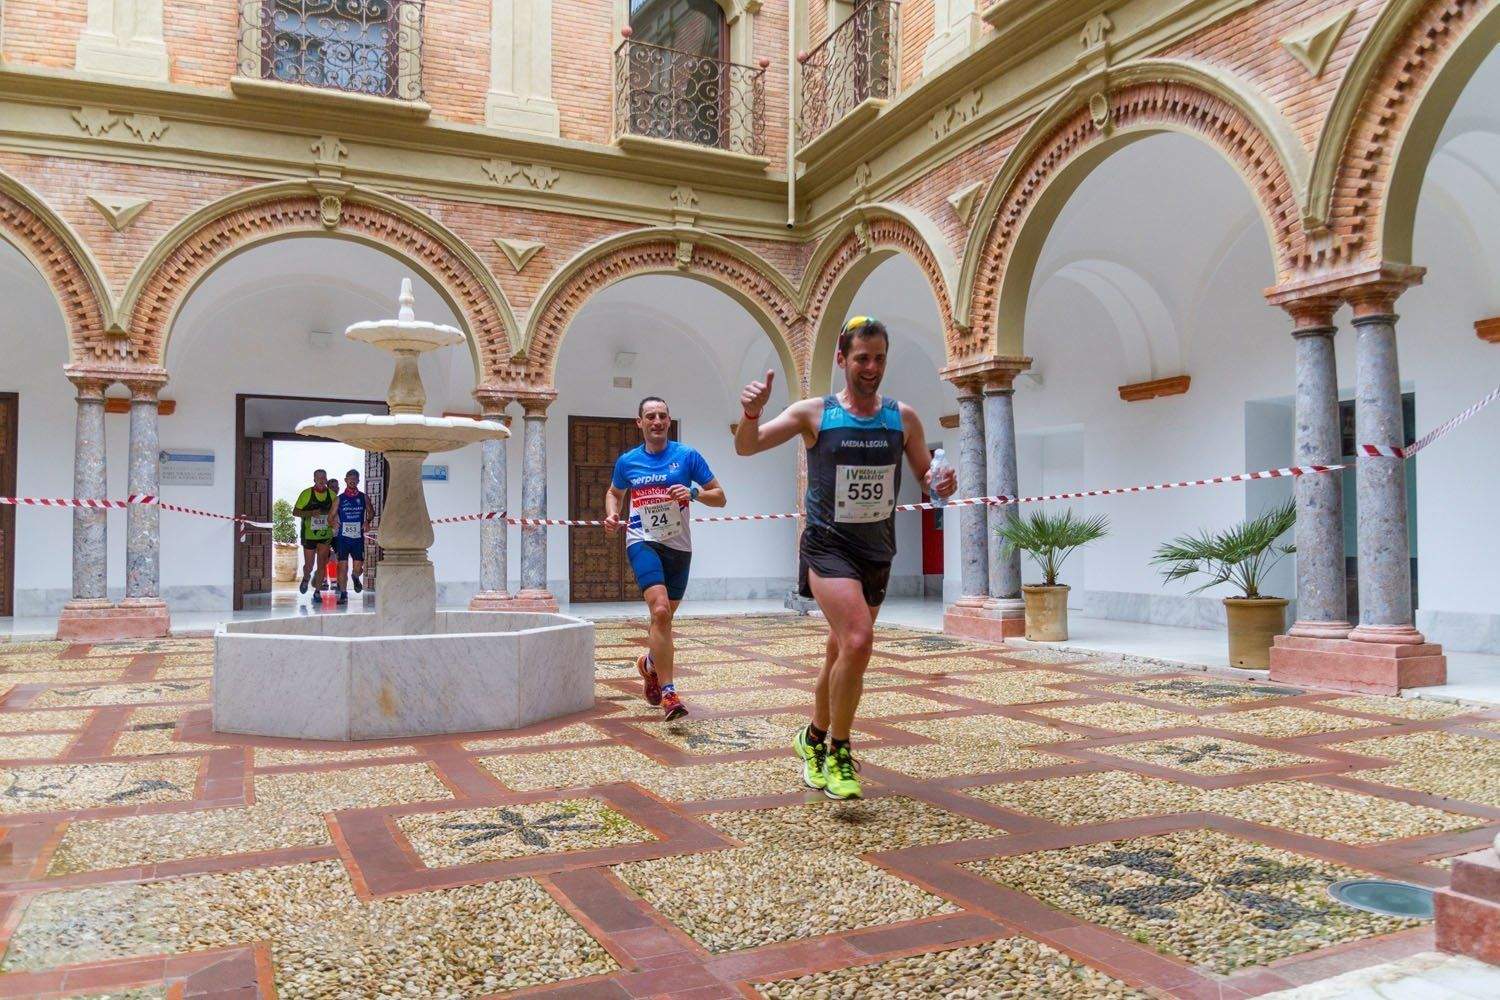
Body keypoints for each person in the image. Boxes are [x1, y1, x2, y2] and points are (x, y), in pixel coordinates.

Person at [734, 317, 957, 799]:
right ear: (841, 359)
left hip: (876, 549)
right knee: (858, 638)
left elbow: (926, 478)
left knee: (840, 650)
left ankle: (811, 737)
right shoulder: (814, 413)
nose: (871, 367)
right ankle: (838, 751)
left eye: (879, 358)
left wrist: (941, 483)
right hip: (827, 545)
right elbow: (747, 447)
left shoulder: (904, 418)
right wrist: (751, 414)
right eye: (862, 358)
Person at [604, 396, 726, 721]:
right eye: (650, 416)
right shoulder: (628, 461)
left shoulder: (687, 456)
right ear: (639, 423)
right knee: (659, 611)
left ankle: (648, 664)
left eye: (662, 416)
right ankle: (670, 694)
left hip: (679, 547)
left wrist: (695, 493)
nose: (656, 421)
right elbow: (614, 493)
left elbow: (721, 497)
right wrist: (613, 514)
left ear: (668, 421)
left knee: (666, 618)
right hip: (641, 540)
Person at [331, 468, 373, 605]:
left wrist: (367, 521)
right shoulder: (339, 499)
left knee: (358, 567)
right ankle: (343, 594)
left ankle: (355, 576)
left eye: (355, 478)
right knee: (342, 567)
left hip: (357, 539)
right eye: (350, 478)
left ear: (358, 481)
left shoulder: (363, 497)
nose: (352, 480)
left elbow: (371, 512)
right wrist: (333, 523)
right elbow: (330, 517)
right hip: (343, 539)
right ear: (346, 480)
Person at [293, 469, 337, 596]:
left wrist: (333, 520)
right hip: (309, 535)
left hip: (325, 534)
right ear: (314, 479)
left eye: (324, 477)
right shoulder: (306, 494)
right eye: (319, 478)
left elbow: (336, 513)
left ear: (326, 479)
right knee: (309, 565)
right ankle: (306, 578)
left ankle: (317, 591)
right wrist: (311, 513)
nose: (322, 480)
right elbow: (295, 512)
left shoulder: (332, 495)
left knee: (322, 563)